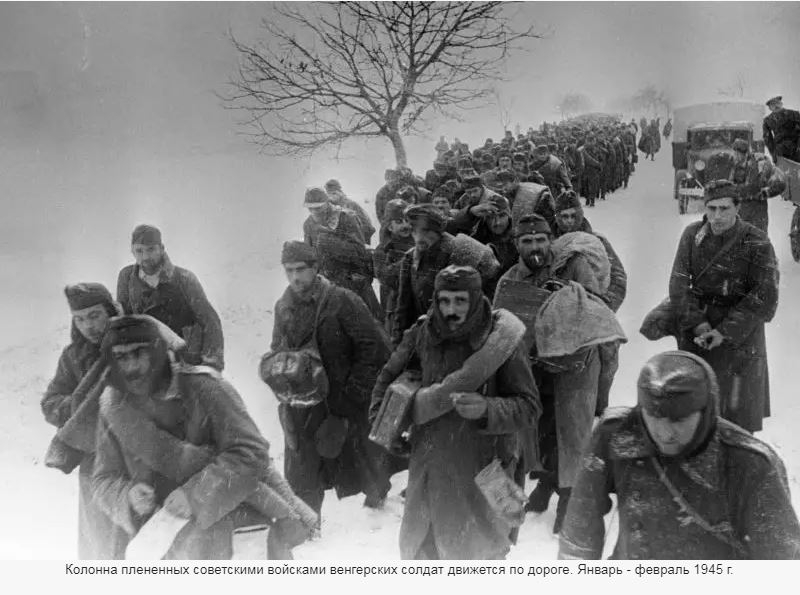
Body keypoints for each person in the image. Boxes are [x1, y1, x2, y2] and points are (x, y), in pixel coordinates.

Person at [92, 315, 311, 559]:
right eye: (121, 357)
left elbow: (252, 453)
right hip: (165, 541)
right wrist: (128, 496)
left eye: (139, 353)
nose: (131, 366)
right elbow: (104, 478)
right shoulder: (114, 408)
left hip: (239, 530)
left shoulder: (204, 387)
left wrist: (195, 495)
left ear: (158, 350)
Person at [560, 350, 800, 560]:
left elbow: (780, 564)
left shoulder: (749, 463)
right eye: (653, 417)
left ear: (706, 411)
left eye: (679, 420)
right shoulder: (616, 434)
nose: (664, 433)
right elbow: (579, 531)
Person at [370, 265, 541, 559]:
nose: (451, 310)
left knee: (481, 555)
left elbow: (529, 407)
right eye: (444, 301)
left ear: (475, 299)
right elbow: (384, 381)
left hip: (484, 471)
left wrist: (487, 408)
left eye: (460, 301)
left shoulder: (501, 342)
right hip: (429, 468)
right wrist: (386, 427)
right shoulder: (422, 333)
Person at [498, 214, 611, 532]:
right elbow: (503, 319)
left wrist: (564, 293)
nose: (534, 247)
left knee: (573, 433)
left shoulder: (574, 265)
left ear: (550, 240)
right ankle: (547, 486)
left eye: (540, 240)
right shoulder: (512, 277)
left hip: (577, 364)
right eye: (527, 241)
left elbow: (595, 304)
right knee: (542, 431)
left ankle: (570, 500)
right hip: (536, 365)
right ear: (517, 245)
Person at [272, 241, 393, 514]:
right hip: (302, 404)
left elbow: (374, 348)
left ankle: (378, 490)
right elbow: (277, 348)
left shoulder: (342, 301)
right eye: (288, 270)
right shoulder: (284, 306)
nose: (295, 277)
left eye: (300, 269)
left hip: (343, 401)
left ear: (315, 268)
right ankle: (306, 526)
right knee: (301, 469)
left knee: (361, 457)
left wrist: (353, 394)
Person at [668, 180, 778, 433]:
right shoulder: (692, 236)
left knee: (737, 423)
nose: (717, 216)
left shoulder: (757, 242)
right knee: (695, 420)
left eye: (725, 209)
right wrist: (700, 325)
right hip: (698, 335)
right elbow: (678, 286)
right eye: (711, 208)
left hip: (740, 342)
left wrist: (723, 332)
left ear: (738, 208)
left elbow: (765, 297)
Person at [42, 283, 122, 559]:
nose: (88, 325)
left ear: (110, 312)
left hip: (134, 457)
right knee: (97, 541)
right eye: (80, 318)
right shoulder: (72, 356)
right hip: (93, 460)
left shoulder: (132, 345)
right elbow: (50, 402)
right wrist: (78, 406)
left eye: (95, 315)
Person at [553, 190, 626, 414]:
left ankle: (598, 409)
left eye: (572, 215)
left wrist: (602, 306)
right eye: (563, 216)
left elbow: (619, 279)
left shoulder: (597, 243)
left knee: (608, 358)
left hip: (594, 312)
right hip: (559, 314)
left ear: (580, 214)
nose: (568, 221)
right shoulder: (550, 243)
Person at [117, 224, 224, 371]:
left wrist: (211, 364)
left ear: (162, 248)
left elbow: (210, 322)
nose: (146, 256)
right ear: (132, 251)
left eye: (151, 249)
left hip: (184, 361)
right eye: (139, 251)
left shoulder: (184, 279)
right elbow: (124, 320)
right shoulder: (126, 277)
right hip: (146, 363)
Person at [302, 187, 383, 321]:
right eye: (310, 208)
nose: (314, 212)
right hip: (328, 285)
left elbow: (359, 252)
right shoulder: (309, 224)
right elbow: (311, 257)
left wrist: (331, 243)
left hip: (353, 282)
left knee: (371, 325)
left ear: (327, 203)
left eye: (318, 207)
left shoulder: (346, 218)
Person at [392, 204, 459, 345]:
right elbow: (403, 303)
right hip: (422, 335)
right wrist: (398, 340)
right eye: (414, 230)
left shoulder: (454, 253)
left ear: (437, 230)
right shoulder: (410, 257)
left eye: (425, 230)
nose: (418, 236)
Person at [373, 199, 415, 333]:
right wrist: (409, 258)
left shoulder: (421, 241)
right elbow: (385, 277)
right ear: (390, 227)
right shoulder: (382, 250)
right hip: (395, 308)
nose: (405, 225)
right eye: (399, 222)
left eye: (408, 221)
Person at [324, 179, 376, 244]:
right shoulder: (327, 207)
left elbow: (367, 225)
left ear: (340, 192)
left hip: (357, 239)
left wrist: (363, 241)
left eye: (334, 193)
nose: (331, 196)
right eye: (328, 193)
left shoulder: (351, 205)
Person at [763, 96, 800, 162]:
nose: (776, 106)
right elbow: (768, 139)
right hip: (781, 152)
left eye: (777, 102)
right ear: (769, 108)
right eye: (772, 104)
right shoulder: (768, 120)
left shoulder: (794, 114)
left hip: (796, 149)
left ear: (781, 103)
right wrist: (773, 154)